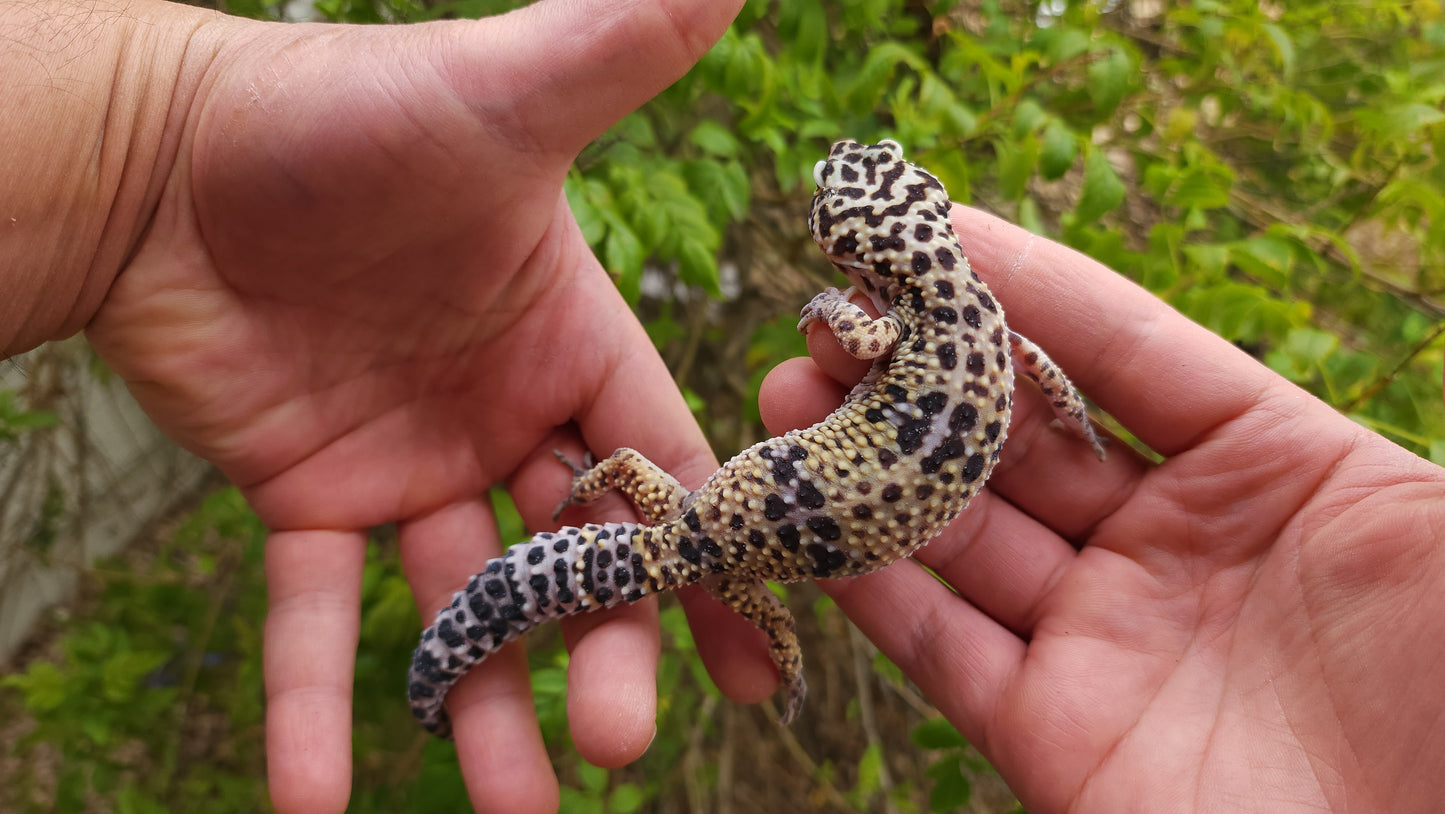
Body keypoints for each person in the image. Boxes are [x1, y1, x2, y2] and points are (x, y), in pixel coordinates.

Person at [1, 1, 1441, 812]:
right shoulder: (979, 326)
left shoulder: (886, 331)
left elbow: (833, 334)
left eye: (842, 211)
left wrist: (144, 153)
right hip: (776, 525)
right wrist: (1052, 414)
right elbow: (1034, 376)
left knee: (660, 530)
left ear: (879, 244)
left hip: (761, 519)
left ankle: (492, 636)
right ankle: (502, 641)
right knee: (686, 553)